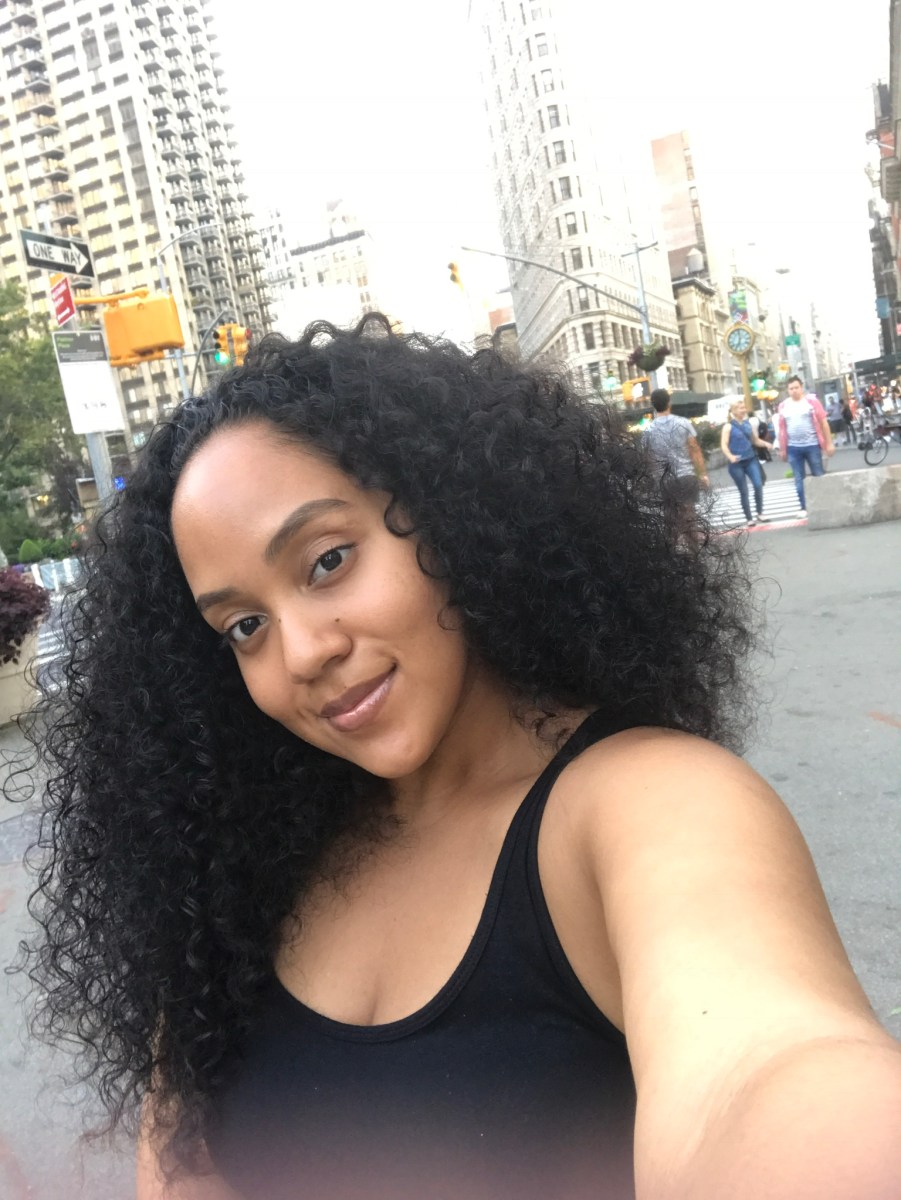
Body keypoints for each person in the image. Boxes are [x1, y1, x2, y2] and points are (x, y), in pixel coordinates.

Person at [15, 317, 901, 1200]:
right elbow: (182, 1165)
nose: (302, 653)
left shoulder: (648, 807)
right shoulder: (234, 872)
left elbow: (765, 1071)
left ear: (454, 519)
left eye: (327, 561)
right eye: (245, 626)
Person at [776, 375, 835, 516]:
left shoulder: (811, 402)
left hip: (812, 445)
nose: (794, 390)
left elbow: (823, 423)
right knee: (798, 479)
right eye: (791, 388)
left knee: (818, 475)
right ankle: (804, 507)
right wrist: (782, 449)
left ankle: (823, 504)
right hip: (793, 448)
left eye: (796, 387)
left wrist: (829, 443)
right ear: (787, 390)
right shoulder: (783, 406)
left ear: (801, 388)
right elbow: (781, 429)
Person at [641, 387, 708, 509]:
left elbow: (648, 458)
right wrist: (702, 474)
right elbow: (694, 450)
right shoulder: (683, 423)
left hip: (665, 481)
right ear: (669, 403)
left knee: (672, 516)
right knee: (689, 514)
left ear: (653, 406)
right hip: (687, 477)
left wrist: (654, 478)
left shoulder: (648, 431)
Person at [720, 399, 770, 526]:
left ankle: (760, 512)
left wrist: (766, 444)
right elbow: (724, 445)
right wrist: (730, 456)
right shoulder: (728, 426)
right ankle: (749, 518)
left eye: (744, 407)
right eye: (740, 408)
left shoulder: (748, 424)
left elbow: (755, 440)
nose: (744, 410)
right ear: (733, 411)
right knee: (744, 490)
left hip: (751, 459)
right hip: (736, 463)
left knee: (758, 484)